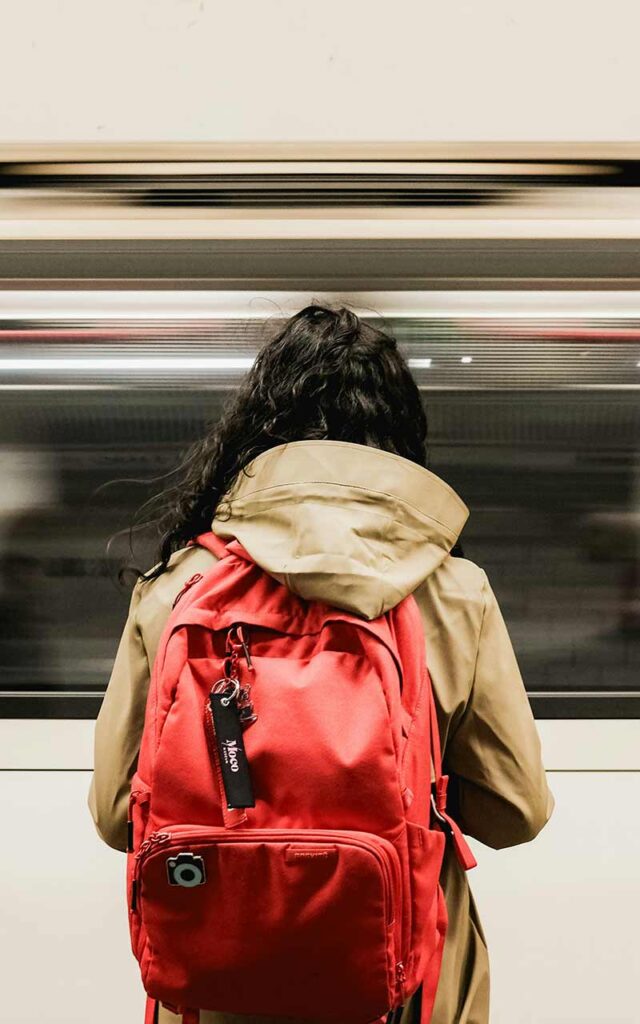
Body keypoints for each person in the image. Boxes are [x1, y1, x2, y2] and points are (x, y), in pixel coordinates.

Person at [89, 304, 554, 1024]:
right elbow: (517, 810)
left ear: (255, 430)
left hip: (220, 985)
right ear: (398, 436)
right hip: (404, 987)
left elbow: (120, 815)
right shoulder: (454, 592)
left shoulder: (176, 588)